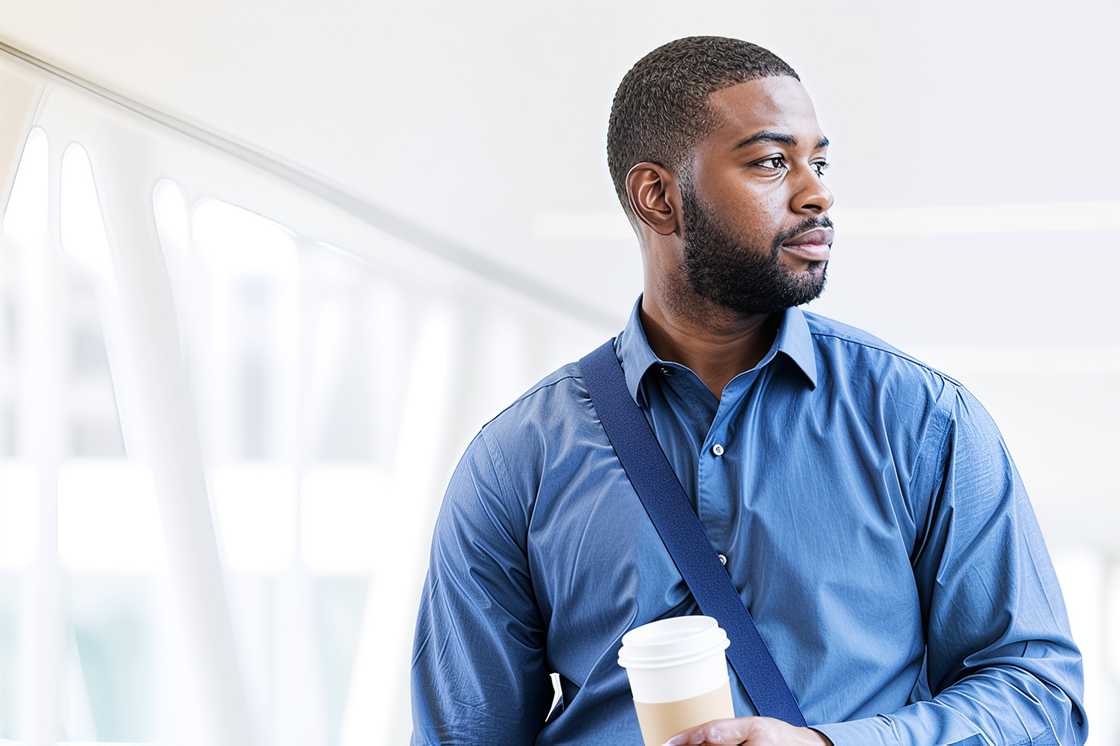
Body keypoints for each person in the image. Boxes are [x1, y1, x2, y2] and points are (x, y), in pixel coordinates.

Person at [409, 35, 1087, 745]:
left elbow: (1039, 700)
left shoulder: (922, 421)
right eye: (771, 161)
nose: (817, 191)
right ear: (658, 197)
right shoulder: (516, 461)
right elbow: (463, 735)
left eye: (817, 160)